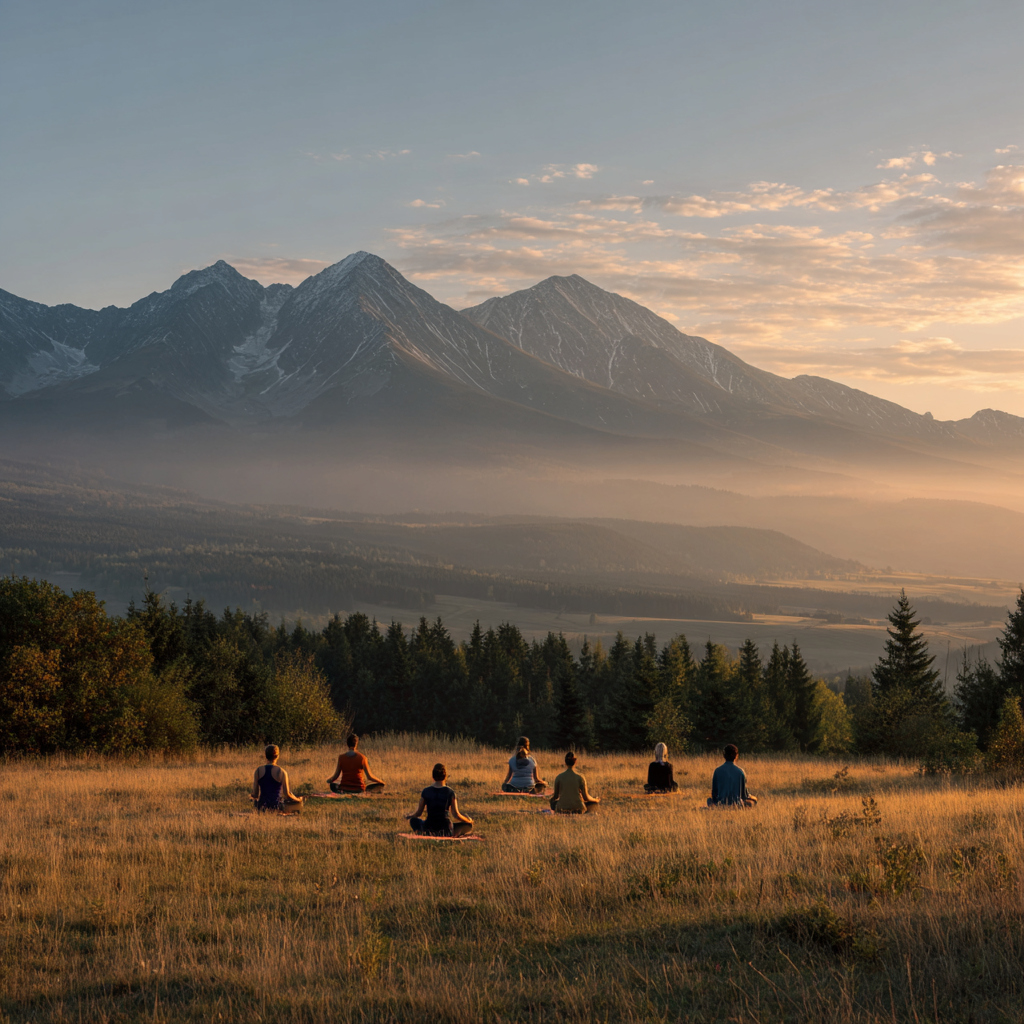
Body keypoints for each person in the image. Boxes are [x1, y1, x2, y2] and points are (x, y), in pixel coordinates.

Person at [407, 763, 474, 837]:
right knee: (468, 826)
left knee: (413, 821)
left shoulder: (426, 791)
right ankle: (453, 833)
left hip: (429, 827)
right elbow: (456, 814)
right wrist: (468, 820)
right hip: (446, 829)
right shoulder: (450, 792)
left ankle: (424, 832)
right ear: (445, 776)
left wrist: (409, 816)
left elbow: (418, 813)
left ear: (433, 776)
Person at [251, 744, 305, 813]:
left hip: (262, 807)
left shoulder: (258, 770)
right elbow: (287, 794)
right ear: (277, 756)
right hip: (276, 806)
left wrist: (251, 796)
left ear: (266, 756)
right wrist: (298, 799)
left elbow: (255, 794)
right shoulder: (282, 771)